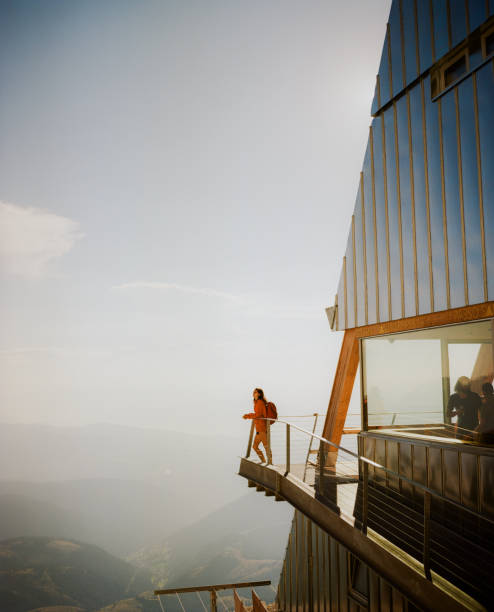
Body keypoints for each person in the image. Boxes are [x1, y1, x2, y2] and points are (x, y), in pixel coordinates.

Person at [243, 388, 272, 464]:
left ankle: (270, 463)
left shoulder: (260, 402)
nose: (253, 393)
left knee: (266, 447)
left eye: (255, 392)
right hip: (259, 428)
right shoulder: (257, 402)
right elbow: (257, 414)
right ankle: (264, 461)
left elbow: (257, 415)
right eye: (253, 392)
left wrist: (247, 416)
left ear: (259, 394)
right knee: (255, 447)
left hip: (262, 428)